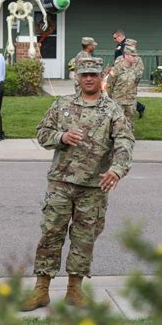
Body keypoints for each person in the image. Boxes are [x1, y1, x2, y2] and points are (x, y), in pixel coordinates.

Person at [22, 58, 134, 311]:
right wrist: (61, 136)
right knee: (51, 234)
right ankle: (41, 290)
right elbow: (42, 133)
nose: (89, 79)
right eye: (84, 74)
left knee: (84, 240)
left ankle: (75, 290)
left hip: (94, 187)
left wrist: (116, 170)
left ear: (101, 76)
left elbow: (125, 143)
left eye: (93, 74)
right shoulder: (63, 104)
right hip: (61, 182)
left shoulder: (112, 110)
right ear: (78, 77)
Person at [106, 44, 144, 130]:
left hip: (130, 101)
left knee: (130, 123)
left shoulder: (135, 70)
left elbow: (135, 83)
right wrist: (111, 98)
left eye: (136, 56)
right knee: (116, 123)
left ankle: (129, 139)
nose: (135, 58)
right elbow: (109, 85)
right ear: (126, 56)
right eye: (133, 55)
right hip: (118, 101)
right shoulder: (116, 69)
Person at [112, 30, 146, 118]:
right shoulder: (120, 58)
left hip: (130, 87)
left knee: (129, 112)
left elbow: (139, 74)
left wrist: (131, 79)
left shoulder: (137, 59)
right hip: (119, 88)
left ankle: (139, 109)